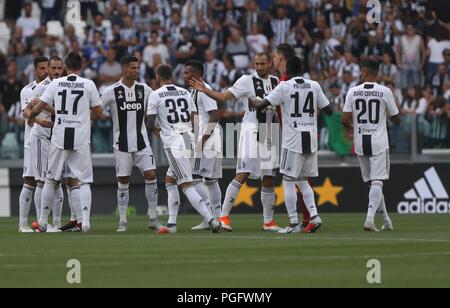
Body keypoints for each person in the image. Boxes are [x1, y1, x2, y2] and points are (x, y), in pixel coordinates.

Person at [190, 53, 281, 232]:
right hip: (251, 130)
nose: (260, 67)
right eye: (257, 63)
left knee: (269, 177)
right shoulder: (247, 80)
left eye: (263, 63)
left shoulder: (276, 81)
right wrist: (205, 90)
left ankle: (268, 222)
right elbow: (224, 97)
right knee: (243, 173)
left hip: (270, 131)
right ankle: (223, 217)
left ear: (270, 64)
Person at [249, 56, 333, 233]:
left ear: (287, 68)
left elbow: (262, 105)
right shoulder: (314, 85)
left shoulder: (284, 86)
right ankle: (314, 216)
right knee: (302, 180)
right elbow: (329, 110)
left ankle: (294, 223)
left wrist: (254, 100)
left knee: (288, 180)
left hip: (293, 139)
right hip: (311, 137)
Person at [28, 52, 104, 233]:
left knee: (50, 179)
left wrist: (31, 117)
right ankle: (85, 222)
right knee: (84, 181)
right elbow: (98, 111)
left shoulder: (55, 83)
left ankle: (43, 222)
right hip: (81, 136)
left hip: (60, 136)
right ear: (81, 65)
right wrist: (86, 119)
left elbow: (39, 107)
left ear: (66, 66)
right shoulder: (89, 84)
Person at [147, 64, 221, 234]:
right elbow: (194, 117)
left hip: (174, 141)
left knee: (186, 184)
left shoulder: (155, 95)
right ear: (171, 76)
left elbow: (150, 122)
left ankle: (211, 219)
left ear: (158, 77)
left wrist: (158, 130)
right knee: (170, 180)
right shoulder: (185, 92)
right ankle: (172, 224)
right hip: (188, 138)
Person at [101, 56, 162, 233]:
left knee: (151, 175)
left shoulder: (145, 90)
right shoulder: (111, 91)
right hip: (121, 144)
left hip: (142, 142)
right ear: (124, 69)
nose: (137, 71)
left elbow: (152, 111)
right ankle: (122, 221)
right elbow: (97, 109)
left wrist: (155, 126)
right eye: (134, 68)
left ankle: (153, 218)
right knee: (123, 180)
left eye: (138, 68)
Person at [342, 59, 401, 232]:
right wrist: (391, 115)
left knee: (373, 184)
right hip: (378, 141)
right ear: (378, 73)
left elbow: (344, 120)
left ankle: (386, 220)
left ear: (365, 72)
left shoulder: (353, 91)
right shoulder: (385, 91)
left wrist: (353, 128)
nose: (360, 74)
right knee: (377, 182)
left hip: (360, 141)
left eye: (361, 71)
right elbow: (396, 119)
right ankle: (369, 220)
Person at [273, 43, 312, 228]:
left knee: (294, 179)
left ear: (281, 59)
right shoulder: (285, 79)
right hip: (299, 133)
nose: (273, 59)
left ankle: (303, 220)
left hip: (292, 136)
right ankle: (310, 217)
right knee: (301, 179)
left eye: (274, 56)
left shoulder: (286, 81)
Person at [183, 60, 223, 231]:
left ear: (196, 75)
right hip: (211, 137)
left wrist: (202, 140)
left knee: (194, 177)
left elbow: (215, 114)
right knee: (212, 180)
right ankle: (218, 218)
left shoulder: (203, 90)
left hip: (207, 138)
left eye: (187, 73)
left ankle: (209, 217)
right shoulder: (194, 91)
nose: (184, 76)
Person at [29, 56, 65, 231]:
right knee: (42, 182)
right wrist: (37, 121)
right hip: (42, 138)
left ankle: (56, 223)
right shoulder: (41, 87)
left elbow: (64, 112)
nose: (57, 72)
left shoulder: (65, 87)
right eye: (54, 68)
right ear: (48, 69)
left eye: (60, 68)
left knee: (57, 181)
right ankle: (41, 222)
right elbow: (28, 110)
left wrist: (46, 108)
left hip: (58, 140)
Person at [18, 56, 48, 233]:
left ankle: (43, 222)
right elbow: (26, 114)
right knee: (30, 180)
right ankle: (23, 223)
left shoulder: (53, 87)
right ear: (35, 70)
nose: (45, 71)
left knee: (47, 181)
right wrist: (36, 120)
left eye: (47, 67)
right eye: (42, 68)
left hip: (49, 141)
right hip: (32, 141)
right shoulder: (27, 90)